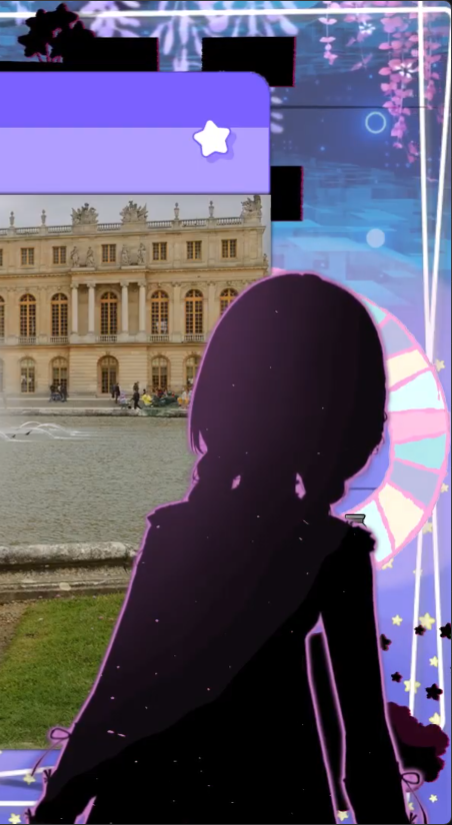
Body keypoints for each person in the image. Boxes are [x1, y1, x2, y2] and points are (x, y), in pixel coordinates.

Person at [29, 274, 410, 824]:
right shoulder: (334, 551)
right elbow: (366, 744)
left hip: (150, 791)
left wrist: (54, 812)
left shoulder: (175, 532)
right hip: (273, 791)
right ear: (349, 422)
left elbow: (113, 702)